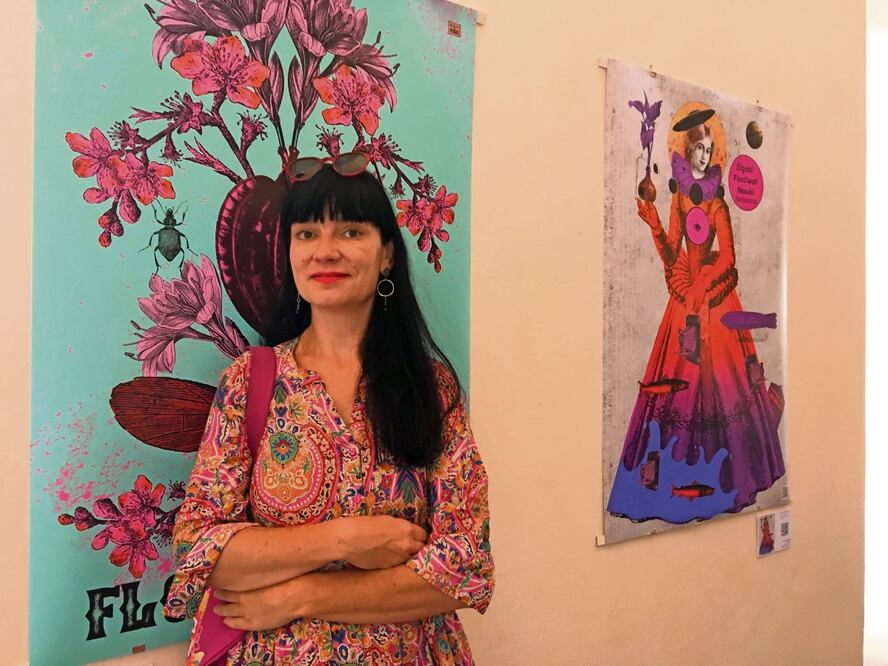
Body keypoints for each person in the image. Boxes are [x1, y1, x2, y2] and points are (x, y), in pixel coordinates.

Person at [163, 157, 494, 664]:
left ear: (386, 254)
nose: (325, 251)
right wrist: (343, 540)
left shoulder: (430, 388)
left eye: (351, 231)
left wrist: (302, 595)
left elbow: (466, 567)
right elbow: (199, 551)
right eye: (306, 234)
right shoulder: (251, 381)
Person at [607, 111, 785, 520]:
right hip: (686, 298)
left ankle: (729, 476)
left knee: (725, 385)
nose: (704, 155)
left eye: (709, 149)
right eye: (698, 149)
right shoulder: (679, 200)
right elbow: (673, 255)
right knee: (678, 383)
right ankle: (679, 474)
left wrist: (704, 286)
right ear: (686, 153)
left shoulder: (718, 202)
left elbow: (730, 258)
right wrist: (655, 227)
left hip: (714, 299)